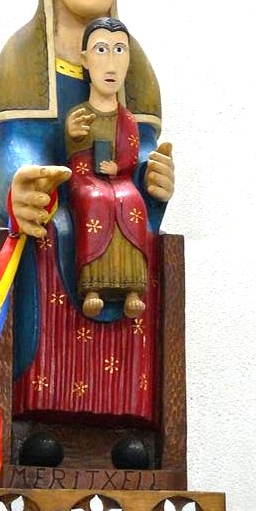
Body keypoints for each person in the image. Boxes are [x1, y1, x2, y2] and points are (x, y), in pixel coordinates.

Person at [0, 0, 175, 423]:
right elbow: (12, 151)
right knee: (58, 226)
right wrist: (19, 185)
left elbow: (142, 150)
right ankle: (42, 413)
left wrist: (155, 177)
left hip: (120, 218)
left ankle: (127, 421)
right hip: (55, 230)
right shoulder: (22, 59)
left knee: (132, 222)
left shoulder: (135, 63)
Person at [66, 17, 169, 319]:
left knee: (131, 200)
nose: (111, 64)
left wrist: (119, 167)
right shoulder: (80, 113)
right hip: (86, 177)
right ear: (85, 59)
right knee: (96, 200)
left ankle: (133, 289)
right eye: (101, 50)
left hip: (118, 178)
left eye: (119, 50)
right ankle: (92, 287)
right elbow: (72, 153)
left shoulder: (128, 120)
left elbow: (132, 154)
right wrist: (73, 135)